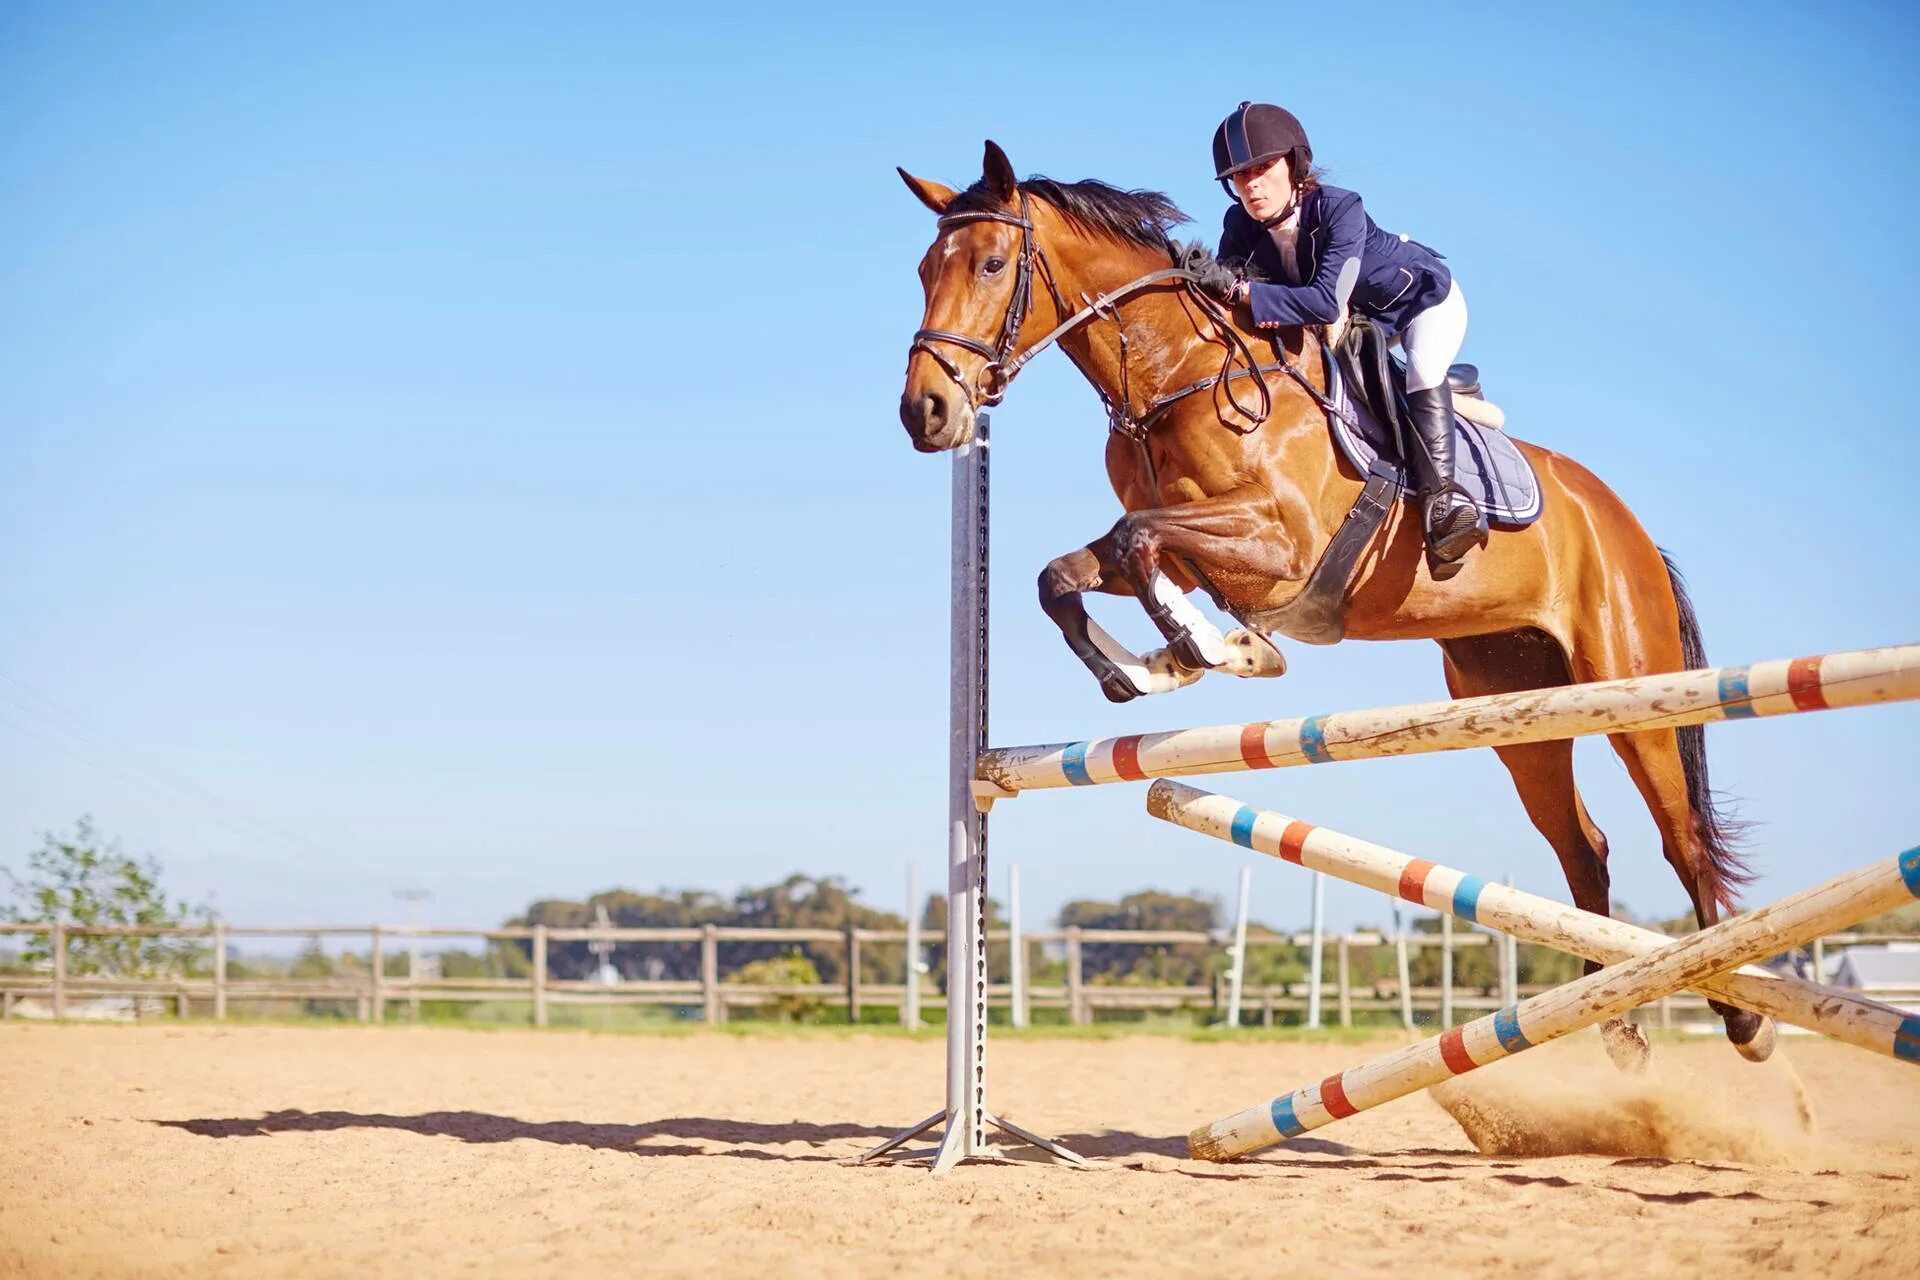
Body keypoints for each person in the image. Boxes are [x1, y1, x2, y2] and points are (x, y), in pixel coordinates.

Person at [1182, 101, 1487, 577]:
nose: (1251, 185)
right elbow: (1235, 299)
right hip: (1360, 325)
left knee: (1423, 370)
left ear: (1294, 165)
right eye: (1239, 177)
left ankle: (1445, 504)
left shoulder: (1341, 207)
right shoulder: (1239, 225)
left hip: (1422, 305)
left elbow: (1324, 303)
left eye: (1262, 168)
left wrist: (1240, 289)